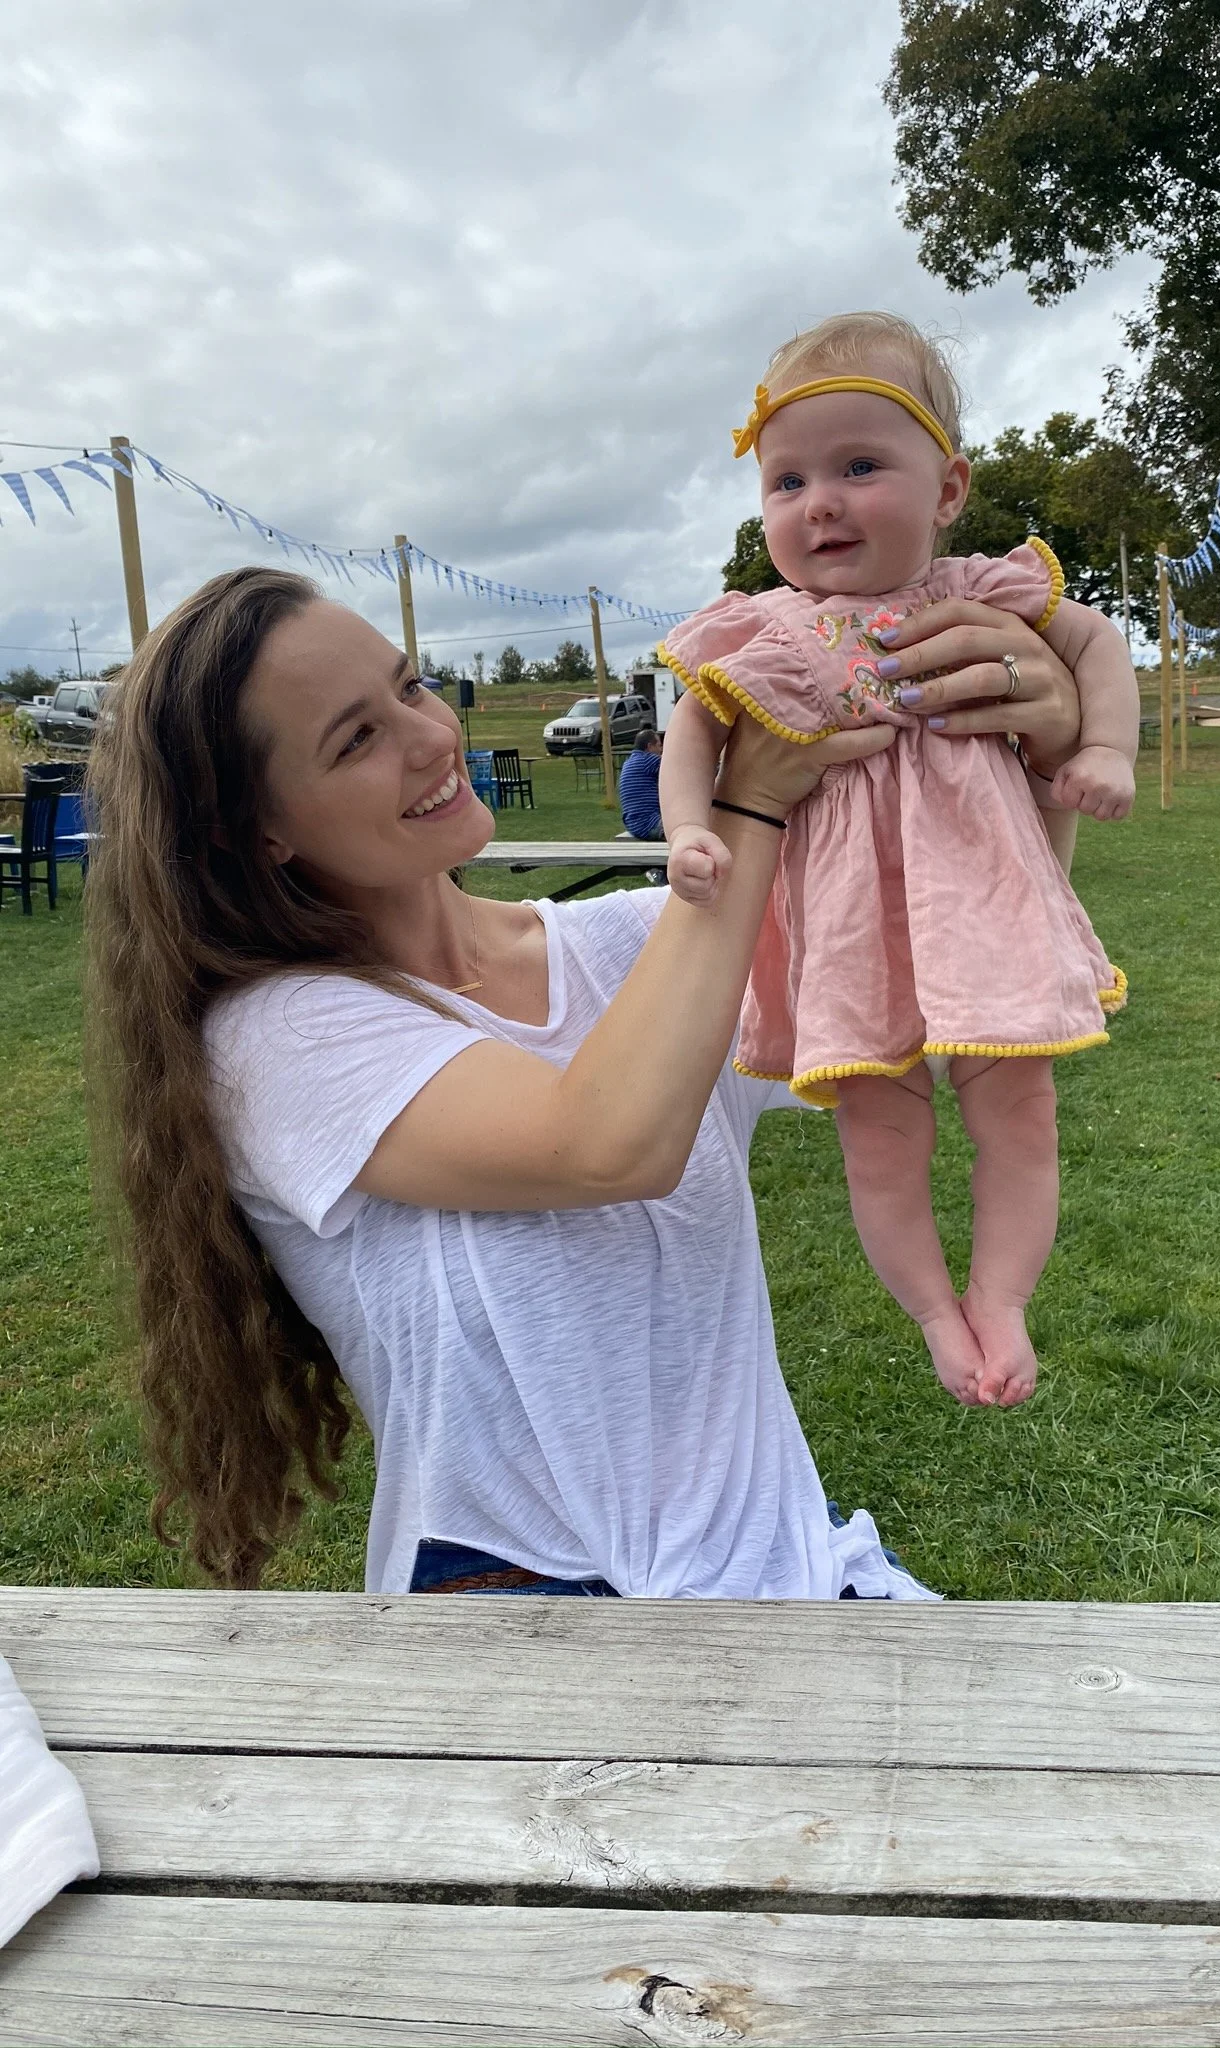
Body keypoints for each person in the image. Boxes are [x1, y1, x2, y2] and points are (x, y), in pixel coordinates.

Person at [83, 562, 1085, 1598]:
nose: (430, 738)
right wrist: (749, 797)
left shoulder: (638, 940)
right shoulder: (272, 1042)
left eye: (411, 686)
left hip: (792, 1571)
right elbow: (610, 1140)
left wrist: (1032, 768)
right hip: (526, 1619)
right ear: (258, 831)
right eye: (356, 738)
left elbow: (951, 994)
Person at [657, 312, 1135, 1414]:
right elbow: (691, 728)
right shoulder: (765, 628)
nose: (818, 501)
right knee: (880, 1133)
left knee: (1022, 1110)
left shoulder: (976, 594)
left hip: (985, 908)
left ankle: (1003, 1296)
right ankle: (931, 1310)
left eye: (860, 465)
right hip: (852, 929)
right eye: (786, 481)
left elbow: (1098, 643)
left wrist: (1100, 744)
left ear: (949, 487)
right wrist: (689, 826)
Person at [617, 725, 664, 841]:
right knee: (690, 829)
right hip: (649, 823)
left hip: (633, 823)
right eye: (659, 745)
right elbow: (680, 766)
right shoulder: (648, 760)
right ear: (649, 747)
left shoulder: (629, 762)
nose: (661, 749)